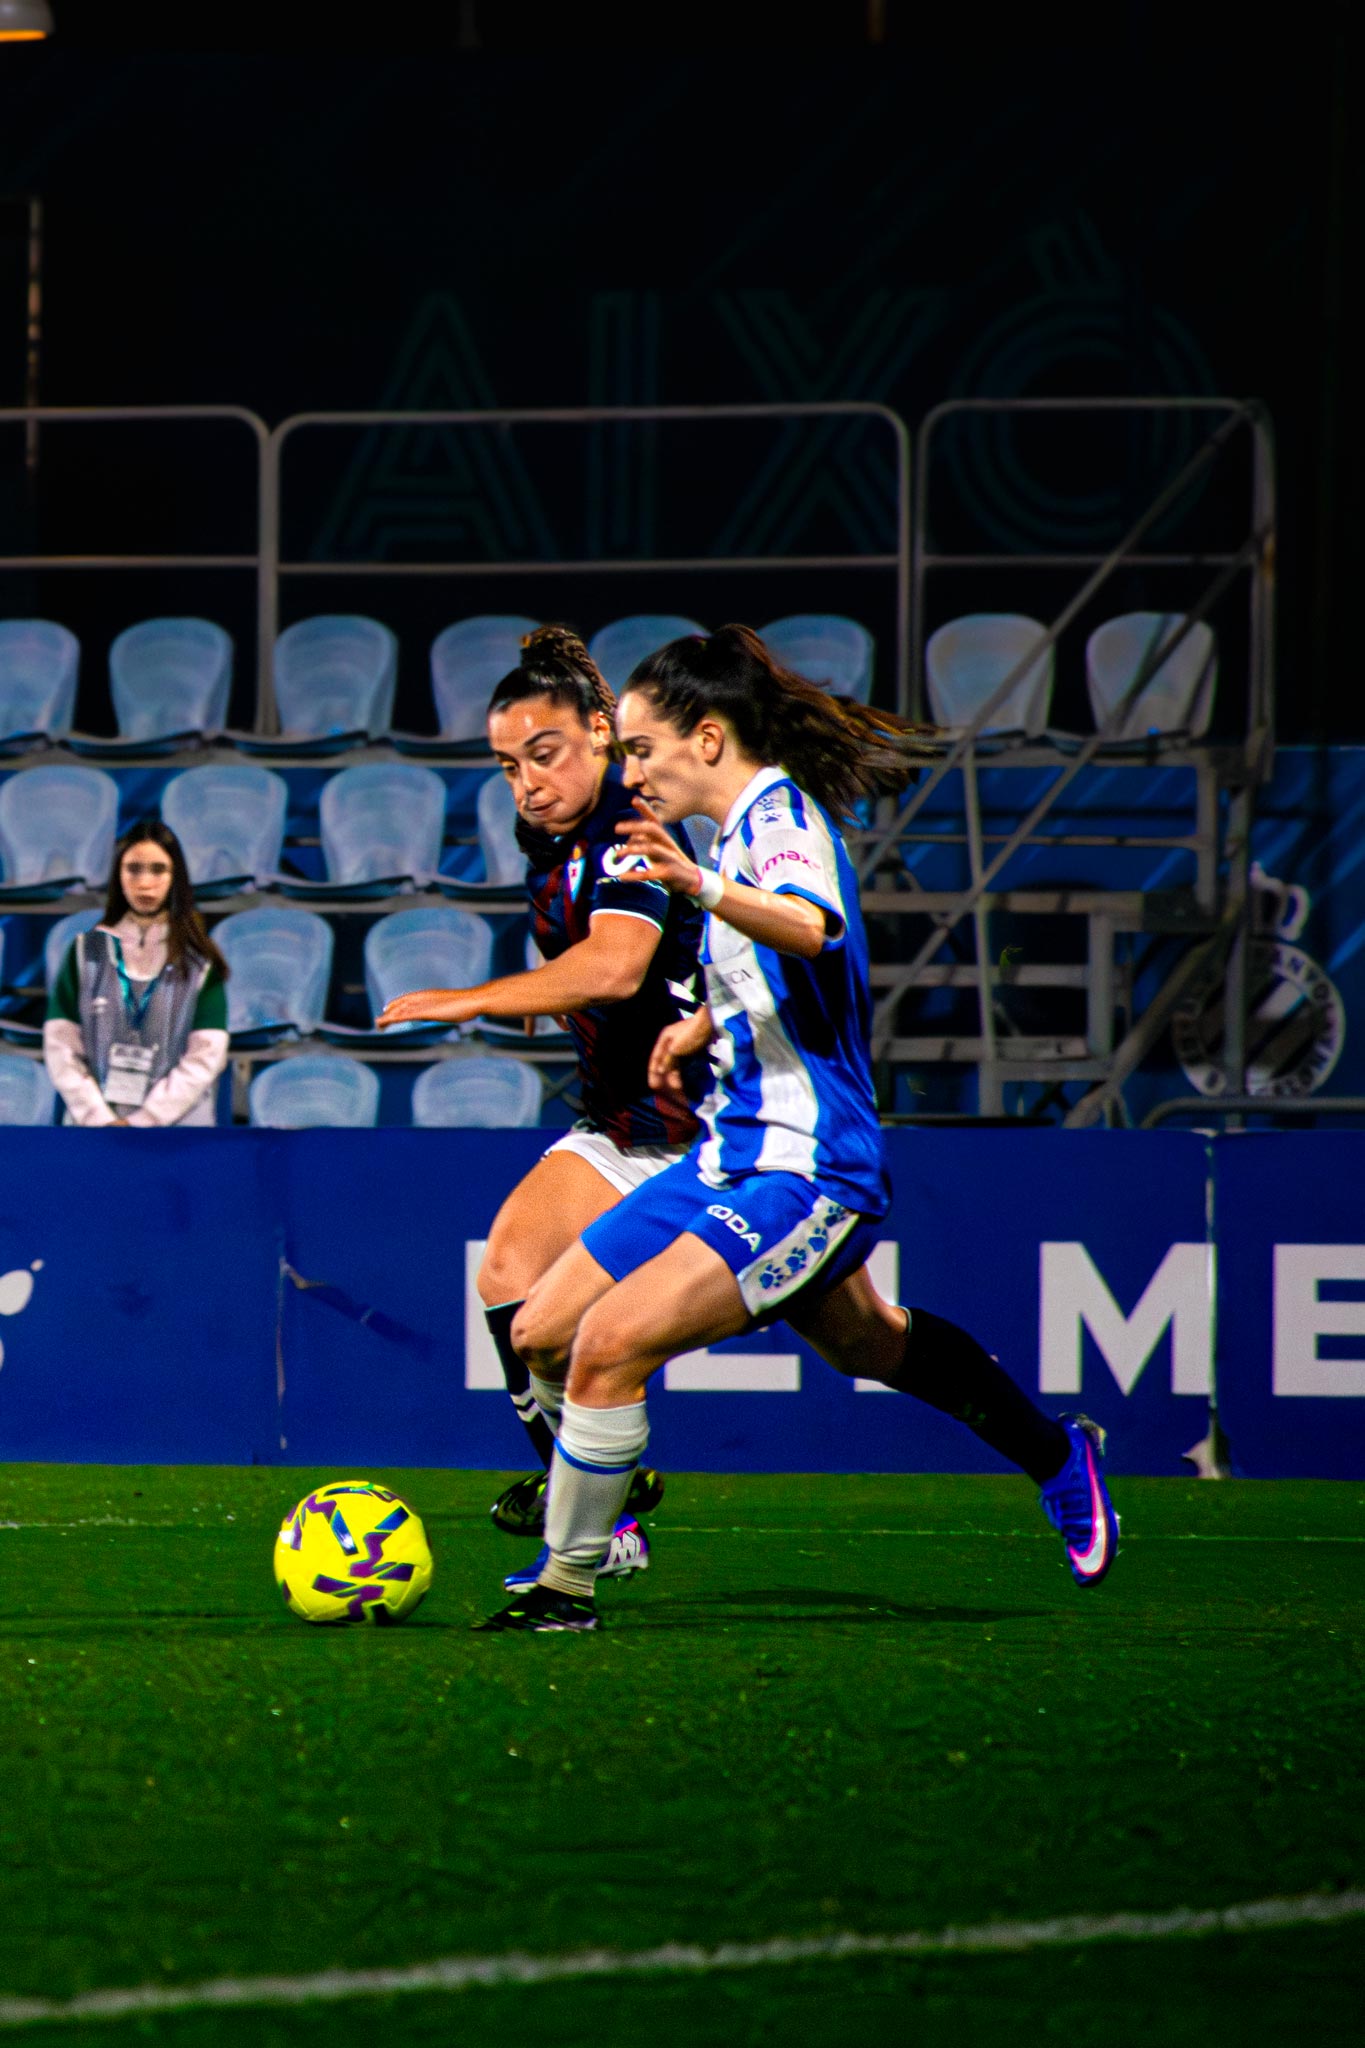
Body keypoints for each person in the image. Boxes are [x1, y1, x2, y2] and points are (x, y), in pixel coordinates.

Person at [473, 624, 1120, 1632]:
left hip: (808, 1170)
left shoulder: (778, 824)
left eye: (642, 751)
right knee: (548, 1330)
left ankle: (567, 1583)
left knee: (606, 1344)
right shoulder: (734, 834)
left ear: (711, 737)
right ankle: (1056, 1449)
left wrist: (697, 886)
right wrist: (699, 1022)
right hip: (729, 1153)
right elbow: (767, 967)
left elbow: (813, 925)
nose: (629, 771)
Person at [377, 625, 709, 1588]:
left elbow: (614, 966)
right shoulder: (554, 843)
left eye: (544, 753)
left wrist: (473, 996)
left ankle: (1045, 1450)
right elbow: (587, 969)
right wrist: (547, 995)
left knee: (866, 1338)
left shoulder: (629, 833)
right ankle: (602, 1514)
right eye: (507, 763)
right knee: (508, 1277)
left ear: (602, 735)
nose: (524, 780)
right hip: (618, 1125)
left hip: (707, 1139)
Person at [44, 817, 230, 1128]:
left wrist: (144, 1121)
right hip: (94, 1133)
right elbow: (61, 1049)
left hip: (177, 1137)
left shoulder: (200, 962)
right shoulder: (84, 952)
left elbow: (205, 1058)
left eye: (158, 870)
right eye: (133, 869)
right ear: (118, 875)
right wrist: (100, 1119)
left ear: (175, 878)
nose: (145, 883)